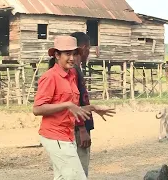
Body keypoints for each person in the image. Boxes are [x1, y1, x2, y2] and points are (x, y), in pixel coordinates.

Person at [33, 35, 115, 180]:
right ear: (57, 55)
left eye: (74, 53)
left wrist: (93, 108)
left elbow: (75, 107)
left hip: (67, 134)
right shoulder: (50, 77)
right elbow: (37, 109)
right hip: (55, 136)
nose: (72, 58)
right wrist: (67, 105)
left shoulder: (71, 74)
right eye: (67, 54)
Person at [70, 32, 94, 177]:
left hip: (78, 127)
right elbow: (74, 101)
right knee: (80, 169)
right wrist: (82, 129)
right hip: (78, 129)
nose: (88, 53)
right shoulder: (73, 71)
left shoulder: (76, 69)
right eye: (89, 49)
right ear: (84, 48)